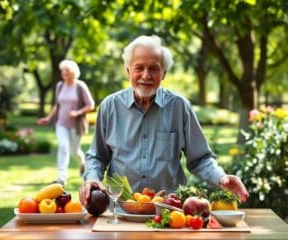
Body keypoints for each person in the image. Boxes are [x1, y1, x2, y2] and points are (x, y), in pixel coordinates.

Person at [79, 35, 249, 206]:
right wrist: (92, 178)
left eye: (154, 69)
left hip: (169, 211)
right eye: (139, 68)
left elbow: (200, 158)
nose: (146, 75)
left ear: (164, 73)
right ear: (128, 70)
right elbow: (97, 156)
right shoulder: (110, 106)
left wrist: (221, 178)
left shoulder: (179, 106)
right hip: (121, 211)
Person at [37, 59, 95, 185]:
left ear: (73, 72)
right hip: (61, 124)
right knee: (63, 147)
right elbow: (57, 105)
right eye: (62, 70)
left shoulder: (80, 86)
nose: (64, 72)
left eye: (67, 70)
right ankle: (61, 177)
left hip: (76, 126)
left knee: (75, 151)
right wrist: (48, 118)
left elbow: (91, 104)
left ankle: (82, 163)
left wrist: (78, 112)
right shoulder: (60, 86)